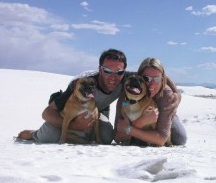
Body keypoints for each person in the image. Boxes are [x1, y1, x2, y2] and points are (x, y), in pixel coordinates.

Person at [18, 49, 182, 144]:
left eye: (118, 72)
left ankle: (81, 136)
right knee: (48, 137)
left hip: (97, 114)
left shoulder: (126, 79)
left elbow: (159, 74)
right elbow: (47, 113)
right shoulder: (82, 82)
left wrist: (175, 92)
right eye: (107, 70)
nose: (113, 76)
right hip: (70, 114)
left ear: (123, 71)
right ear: (100, 68)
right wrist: (75, 125)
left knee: (105, 137)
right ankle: (33, 134)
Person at [114, 57, 187, 146]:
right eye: (147, 78)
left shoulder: (167, 95)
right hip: (138, 114)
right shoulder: (129, 93)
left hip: (164, 112)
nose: (152, 84)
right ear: (139, 76)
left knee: (180, 137)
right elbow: (117, 136)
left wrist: (130, 129)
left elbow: (161, 139)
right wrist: (140, 122)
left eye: (157, 79)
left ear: (162, 80)